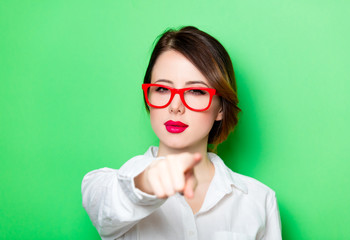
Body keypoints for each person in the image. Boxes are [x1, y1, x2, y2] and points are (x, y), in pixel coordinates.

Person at [81, 26, 282, 240]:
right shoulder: (103, 185)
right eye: (162, 89)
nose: (175, 106)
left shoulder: (259, 201)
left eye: (196, 91)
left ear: (221, 109)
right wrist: (145, 184)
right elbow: (107, 207)